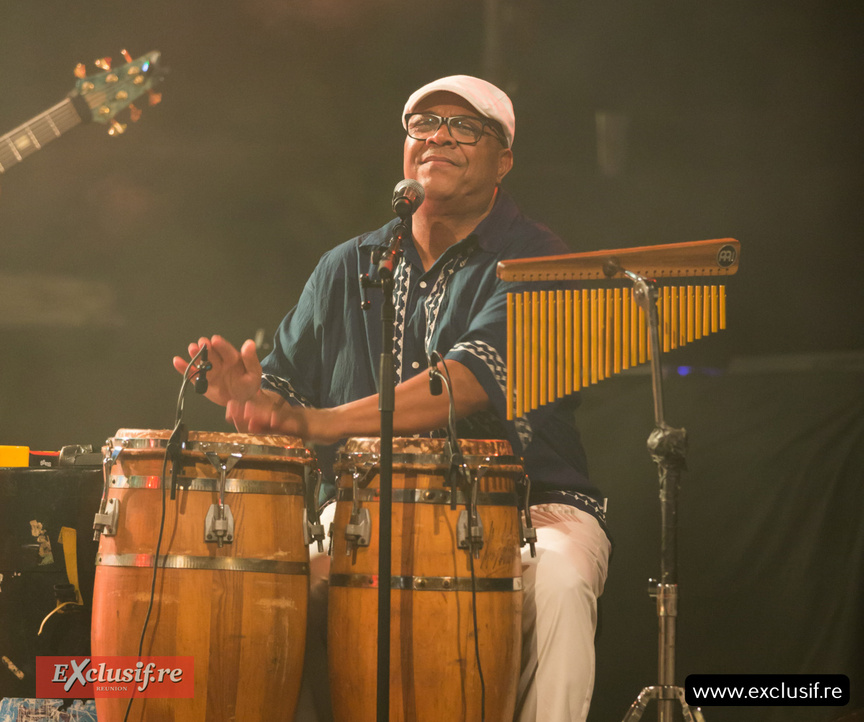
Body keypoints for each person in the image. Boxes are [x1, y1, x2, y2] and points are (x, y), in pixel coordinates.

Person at [174, 75, 611, 722]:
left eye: (465, 128)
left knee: (562, 582)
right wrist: (254, 398)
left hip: (527, 504)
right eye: (423, 123)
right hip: (362, 510)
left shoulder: (540, 259)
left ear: (504, 159)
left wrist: (316, 422)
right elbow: (287, 392)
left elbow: (467, 382)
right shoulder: (347, 265)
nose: (438, 136)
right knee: (271, 591)